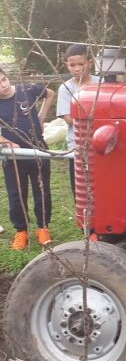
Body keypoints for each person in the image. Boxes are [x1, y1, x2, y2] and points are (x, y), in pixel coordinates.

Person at [0, 67, 55, 250]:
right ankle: (21, 231)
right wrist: (6, 142)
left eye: (3, 79)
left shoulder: (27, 89)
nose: (3, 85)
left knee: (42, 189)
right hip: (14, 156)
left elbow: (50, 93)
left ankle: (43, 227)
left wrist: (41, 117)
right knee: (16, 193)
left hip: (37, 149)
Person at [56, 44, 100, 195]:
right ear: (66, 65)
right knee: (80, 189)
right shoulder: (65, 89)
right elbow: (69, 119)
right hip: (77, 146)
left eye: (81, 64)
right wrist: (93, 116)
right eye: (72, 65)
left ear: (90, 63)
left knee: (99, 186)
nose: (77, 69)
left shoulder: (101, 83)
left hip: (99, 143)